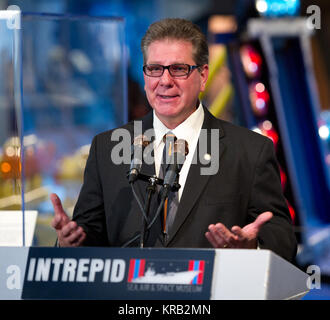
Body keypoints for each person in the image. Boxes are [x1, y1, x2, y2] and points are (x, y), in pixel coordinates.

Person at [51, 18, 297, 263]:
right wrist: (70, 242)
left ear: (202, 76)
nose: (165, 81)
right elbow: (89, 235)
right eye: (155, 68)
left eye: (178, 69)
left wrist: (251, 246)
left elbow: (283, 241)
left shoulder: (250, 151)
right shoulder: (108, 148)